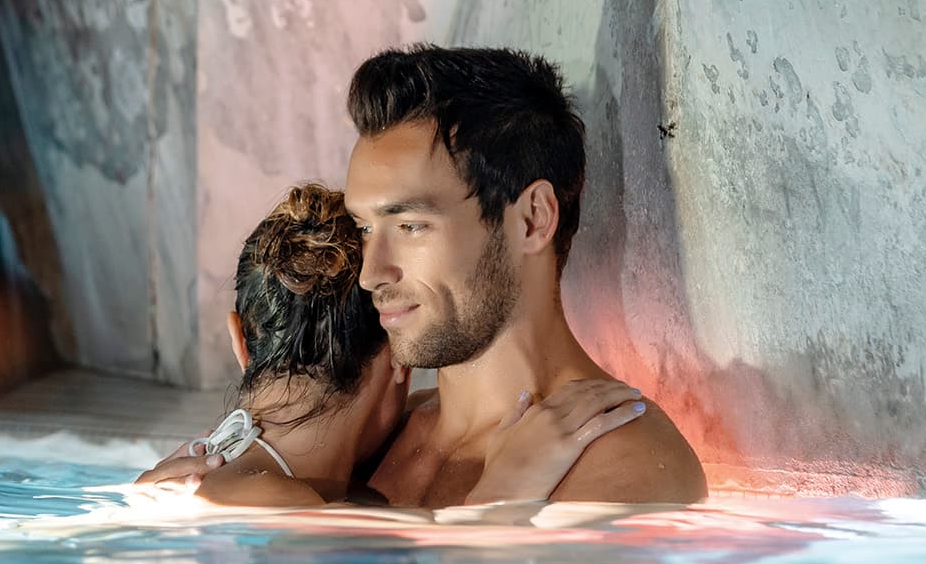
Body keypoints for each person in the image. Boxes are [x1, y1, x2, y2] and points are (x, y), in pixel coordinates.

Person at [343, 44, 707, 505]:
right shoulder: (375, 439)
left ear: (533, 219)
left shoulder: (623, 467)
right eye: (364, 228)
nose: (371, 274)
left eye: (411, 226)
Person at [143, 182, 649, 509]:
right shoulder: (284, 510)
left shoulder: (180, 485)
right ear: (399, 350)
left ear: (240, 341)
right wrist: (504, 492)